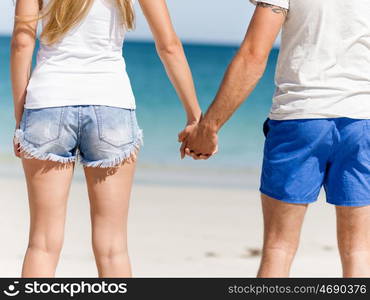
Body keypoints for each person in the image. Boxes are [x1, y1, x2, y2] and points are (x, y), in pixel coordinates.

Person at [11, 0, 201, 277]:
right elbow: (169, 45)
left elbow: (21, 43)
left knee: (42, 244)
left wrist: (21, 121)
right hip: (111, 104)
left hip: (48, 102)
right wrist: (195, 117)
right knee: (113, 248)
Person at [180, 0, 370, 277]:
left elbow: (253, 55)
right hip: (362, 119)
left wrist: (208, 128)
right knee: (360, 252)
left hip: (301, 116)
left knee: (278, 248)